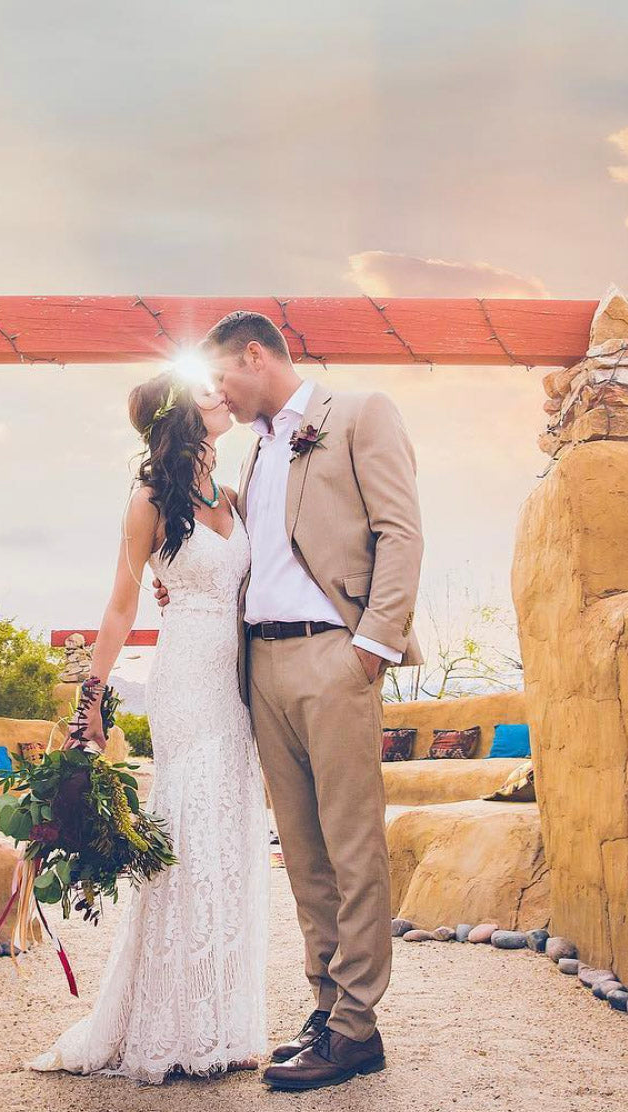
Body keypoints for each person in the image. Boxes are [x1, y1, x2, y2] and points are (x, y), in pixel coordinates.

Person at [155, 311, 424, 1091]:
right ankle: (326, 1008)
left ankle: (356, 1027)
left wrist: (371, 646)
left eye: (221, 379)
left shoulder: (360, 414)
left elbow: (401, 532)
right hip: (261, 665)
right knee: (303, 855)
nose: (220, 398)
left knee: (352, 846)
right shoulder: (257, 449)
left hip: (332, 655)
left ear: (254, 355)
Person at [27, 370, 270, 1084]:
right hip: (188, 681)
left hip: (240, 686)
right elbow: (120, 605)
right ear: (176, 419)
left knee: (230, 837)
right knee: (189, 836)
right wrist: (90, 703)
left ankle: (223, 1021)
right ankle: (172, 1024)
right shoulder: (148, 502)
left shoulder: (226, 497)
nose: (222, 394)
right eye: (206, 391)